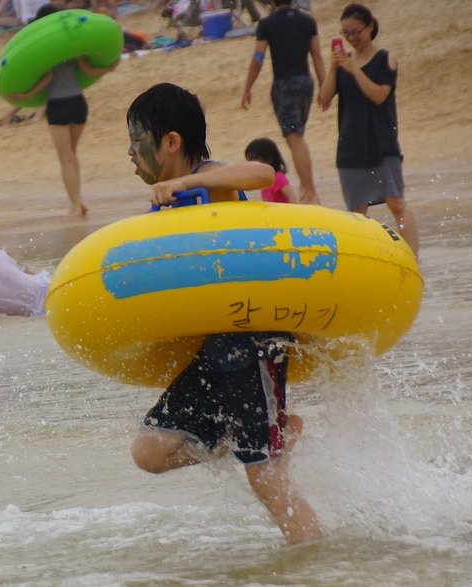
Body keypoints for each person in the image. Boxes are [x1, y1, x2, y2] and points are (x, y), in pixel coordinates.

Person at [126, 82, 323, 546]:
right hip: (214, 349)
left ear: (170, 143)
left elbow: (263, 173)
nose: (130, 154)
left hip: (254, 337)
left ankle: (318, 560)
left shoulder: (213, 178)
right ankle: (262, 435)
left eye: (136, 142)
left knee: (264, 478)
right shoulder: (163, 205)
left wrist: (189, 181)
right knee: (149, 450)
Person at [318, 4, 419, 255]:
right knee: (357, 213)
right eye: (346, 33)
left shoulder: (386, 58)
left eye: (356, 32)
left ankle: (413, 260)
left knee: (396, 203)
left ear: (370, 27)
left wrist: (354, 70)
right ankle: (368, 260)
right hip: (351, 146)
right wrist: (334, 67)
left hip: (382, 142)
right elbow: (324, 98)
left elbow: (379, 96)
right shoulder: (343, 65)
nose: (352, 38)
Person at [6, 4, 119, 216]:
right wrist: (108, 69)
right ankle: (79, 200)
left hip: (58, 105)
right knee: (72, 155)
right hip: (78, 103)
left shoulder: (46, 50)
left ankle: (75, 204)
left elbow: (47, 79)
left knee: (66, 158)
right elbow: (87, 70)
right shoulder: (71, 46)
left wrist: (24, 96)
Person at [241, 0, 324, 205]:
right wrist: (324, 87)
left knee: (294, 136)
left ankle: (310, 192)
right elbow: (317, 56)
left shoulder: (267, 24)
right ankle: (306, 187)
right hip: (306, 82)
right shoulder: (307, 20)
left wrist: (247, 88)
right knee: (297, 136)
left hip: (284, 84)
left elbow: (257, 58)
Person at [245, 137, 298, 203]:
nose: (252, 165)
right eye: (250, 161)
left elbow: (292, 196)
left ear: (269, 159)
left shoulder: (278, 178)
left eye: (254, 161)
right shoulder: (264, 179)